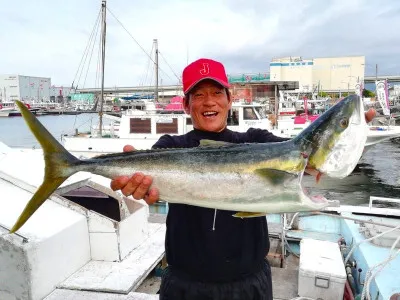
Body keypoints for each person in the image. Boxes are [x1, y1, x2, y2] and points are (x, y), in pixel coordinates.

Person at [110, 58, 376, 300]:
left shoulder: (257, 141)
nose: (209, 101)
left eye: (216, 93)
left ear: (229, 98)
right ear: (186, 104)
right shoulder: (170, 146)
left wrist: (344, 138)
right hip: (184, 284)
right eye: (199, 95)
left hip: (248, 285)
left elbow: (305, 155)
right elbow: (148, 184)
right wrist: (137, 185)